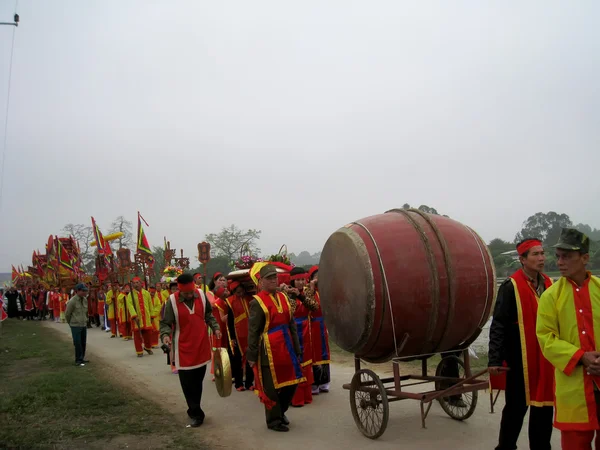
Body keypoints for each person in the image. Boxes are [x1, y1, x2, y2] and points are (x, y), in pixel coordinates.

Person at [488, 238, 554, 449]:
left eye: (542, 253)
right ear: (522, 259)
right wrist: (495, 358)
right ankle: (506, 447)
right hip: (520, 359)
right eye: (535, 254)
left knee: (544, 406)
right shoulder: (511, 286)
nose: (541, 258)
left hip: (545, 358)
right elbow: (498, 323)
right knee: (516, 408)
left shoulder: (549, 285)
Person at [537, 228, 600, 450]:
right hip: (573, 388)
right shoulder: (550, 296)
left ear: (584, 258)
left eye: (567, 256)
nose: (560, 262)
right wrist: (581, 357)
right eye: (559, 256)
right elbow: (545, 338)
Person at [247, 264, 305, 432]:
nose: (273, 280)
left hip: (286, 346)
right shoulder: (256, 302)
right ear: (261, 282)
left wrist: (297, 348)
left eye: (275, 277)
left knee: (292, 382)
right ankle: (274, 421)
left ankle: (280, 411)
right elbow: (253, 331)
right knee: (271, 388)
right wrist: (251, 355)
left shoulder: (284, 297)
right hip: (267, 349)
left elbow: (292, 324)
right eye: (269, 278)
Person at [160, 273, 221, 428]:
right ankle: (196, 412)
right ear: (180, 291)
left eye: (191, 292)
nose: (189, 295)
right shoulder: (172, 301)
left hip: (201, 345)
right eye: (186, 293)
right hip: (183, 348)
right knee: (187, 383)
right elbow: (166, 323)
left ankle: (194, 407)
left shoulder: (200, 295)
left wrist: (215, 327)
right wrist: (165, 335)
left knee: (197, 381)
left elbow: (208, 314)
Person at [287, 267, 318, 407]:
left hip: (306, 329)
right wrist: (293, 296)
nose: (300, 283)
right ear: (292, 281)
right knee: (296, 363)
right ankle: (296, 398)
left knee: (307, 362)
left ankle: (307, 395)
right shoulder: (286, 294)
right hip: (293, 330)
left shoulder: (306, 292)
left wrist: (301, 296)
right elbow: (289, 312)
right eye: (297, 280)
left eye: (301, 279)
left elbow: (314, 307)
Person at [305, 266, 331, 394]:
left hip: (322, 324)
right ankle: (314, 383)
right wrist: (311, 287)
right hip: (312, 325)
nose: (318, 278)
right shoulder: (307, 291)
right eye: (316, 275)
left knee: (324, 352)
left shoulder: (324, 291)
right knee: (314, 353)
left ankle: (325, 381)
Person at [226, 281, 254, 391]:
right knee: (237, 359)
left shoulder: (250, 298)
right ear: (234, 292)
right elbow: (230, 321)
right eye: (238, 292)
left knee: (250, 358)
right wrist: (232, 337)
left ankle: (249, 382)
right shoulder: (230, 301)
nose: (241, 294)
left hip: (250, 333)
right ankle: (238, 383)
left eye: (242, 291)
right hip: (238, 335)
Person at [126, 277, 155, 357]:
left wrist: (152, 315)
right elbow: (130, 306)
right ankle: (139, 351)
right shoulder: (130, 295)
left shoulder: (146, 293)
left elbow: (150, 305)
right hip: (137, 319)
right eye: (134, 283)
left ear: (140, 283)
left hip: (146, 317)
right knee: (137, 336)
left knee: (148, 334)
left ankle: (148, 348)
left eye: (137, 283)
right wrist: (135, 316)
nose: (136, 285)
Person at [65, 283, 90, 367]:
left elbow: (86, 312)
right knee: (77, 343)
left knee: (83, 342)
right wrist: (71, 323)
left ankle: (82, 358)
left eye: (85, 291)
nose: (85, 292)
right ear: (77, 291)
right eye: (83, 291)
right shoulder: (72, 301)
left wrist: (86, 320)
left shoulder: (85, 300)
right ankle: (78, 360)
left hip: (83, 324)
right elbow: (67, 314)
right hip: (75, 325)